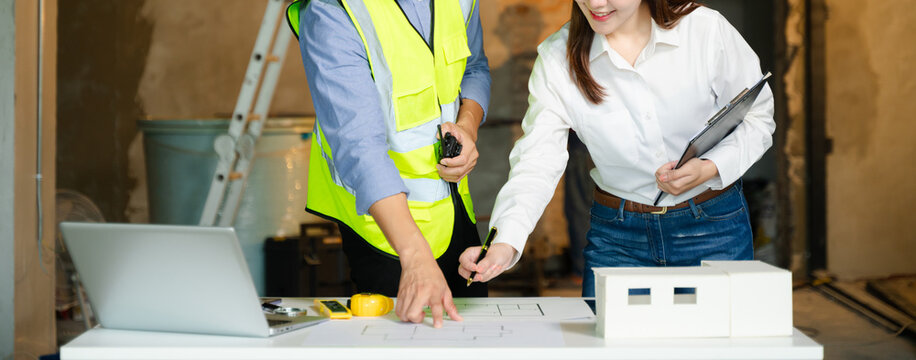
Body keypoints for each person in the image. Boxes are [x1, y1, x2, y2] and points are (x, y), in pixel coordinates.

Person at [458, 0, 774, 297]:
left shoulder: (704, 31)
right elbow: (537, 160)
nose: (595, 4)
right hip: (618, 238)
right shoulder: (557, 58)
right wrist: (505, 242)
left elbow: (758, 118)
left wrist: (710, 167)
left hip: (713, 227)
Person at [286, 0, 491, 327]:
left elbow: (474, 67)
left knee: (474, 334)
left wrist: (467, 125)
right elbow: (359, 147)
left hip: (454, 211)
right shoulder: (334, 11)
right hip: (385, 229)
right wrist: (415, 258)